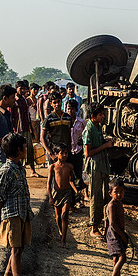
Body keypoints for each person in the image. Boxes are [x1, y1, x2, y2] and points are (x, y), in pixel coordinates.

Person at [0, 133, 33, 276]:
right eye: (23, 147)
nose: (26, 150)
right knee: (16, 250)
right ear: (17, 150)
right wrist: (0, 219)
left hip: (23, 213)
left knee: (20, 249)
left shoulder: (20, 168)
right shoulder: (6, 171)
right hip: (11, 216)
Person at [83, 102, 113, 238]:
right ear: (93, 116)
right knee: (96, 196)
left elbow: (98, 143)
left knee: (105, 193)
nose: (103, 116)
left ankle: (105, 223)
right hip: (95, 165)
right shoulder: (88, 130)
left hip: (102, 163)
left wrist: (105, 141)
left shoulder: (98, 126)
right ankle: (94, 226)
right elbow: (88, 152)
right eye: (100, 114)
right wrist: (105, 145)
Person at [47, 143, 78, 247]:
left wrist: (76, 191)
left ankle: (63, 240)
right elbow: (49, 183)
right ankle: (60, 231)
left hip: (67, 193)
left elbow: (71, 181)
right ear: (56, 154)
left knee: (65, 215)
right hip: (56, 193)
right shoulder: (53, 167)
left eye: (66, 153)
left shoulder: (70, 167)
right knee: (58, 216)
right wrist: (50, 197)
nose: (65, 155)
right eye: (62, 153)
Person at [105, 178, 130, 276]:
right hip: (114, 234)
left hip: (118, 233)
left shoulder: (118, 203)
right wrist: (122, 235)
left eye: (121, 191)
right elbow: (113, 224)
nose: (119, 194)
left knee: (116, 258)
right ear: (110, 193)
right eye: (116, 192)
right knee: (122, 257)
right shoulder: (111, 205)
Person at [11, 81, 38, 177]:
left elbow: (28, 115)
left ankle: (32, 170)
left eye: (24, 89)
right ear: (16, 88)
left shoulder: (25, 100)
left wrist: (31, 128)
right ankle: (19, 171)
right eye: (20, 89)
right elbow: (12, 117)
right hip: (18, 130)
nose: (22, 91)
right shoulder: (13, 100)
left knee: (29, 149)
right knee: (19, 150)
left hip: (26, 128)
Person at [66, 99, 87, 207]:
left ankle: (79, 199)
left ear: (76, 110)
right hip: (67, 152)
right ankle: (71, 200)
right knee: (69, 176)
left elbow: (86, 134)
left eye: (72, 109)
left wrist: (82, 141)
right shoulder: (64, 121)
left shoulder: (81, 122)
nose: (70, 111)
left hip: (78, 151)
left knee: (78, 175)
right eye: (69, 109)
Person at [40, 92, 72, 163]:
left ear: (61, 101)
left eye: (58, 102)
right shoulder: (49, 118)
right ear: (51, 104)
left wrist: (69, 150)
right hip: (54, 152)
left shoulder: (67, 117)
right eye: (54, 103)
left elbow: (69, 135)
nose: (57, 104)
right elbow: (42, 138)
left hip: (65, 153)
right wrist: (50, 154)